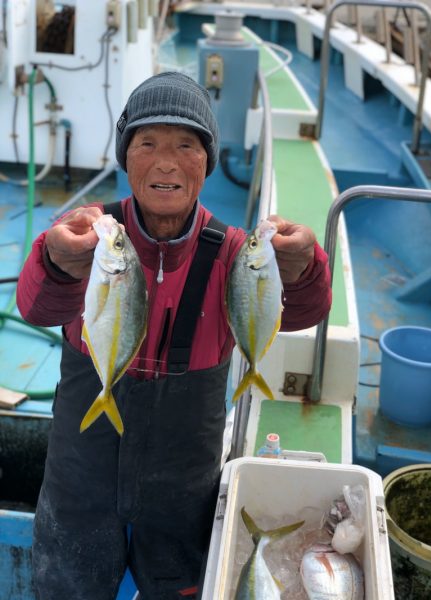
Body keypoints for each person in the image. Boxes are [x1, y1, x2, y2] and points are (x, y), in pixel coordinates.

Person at [17, 72, 332, 600]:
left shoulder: (236, 252)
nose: (166, 162)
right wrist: (56, 261)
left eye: (186, 145)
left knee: (180, 587)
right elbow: (37, 306)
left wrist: (302, 267)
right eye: (147, 144)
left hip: (185, 479)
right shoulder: (90, 237)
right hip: (81, 475)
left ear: (208, 162)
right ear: (125, 157)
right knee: (68, 584)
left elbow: (301, 313)